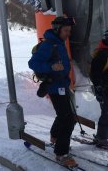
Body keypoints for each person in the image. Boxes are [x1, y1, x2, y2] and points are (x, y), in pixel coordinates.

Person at [28, 16, 77, 168]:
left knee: (64, 116)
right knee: (68, 118)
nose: (68, 33)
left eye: (69, 30)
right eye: (66, 30)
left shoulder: (59, 43)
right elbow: (33, 63)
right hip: (54, 87)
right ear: (57, 29)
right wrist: (51, 67)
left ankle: (55, 136)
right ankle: (61, 153)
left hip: (62, 86)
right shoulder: (49, 45)